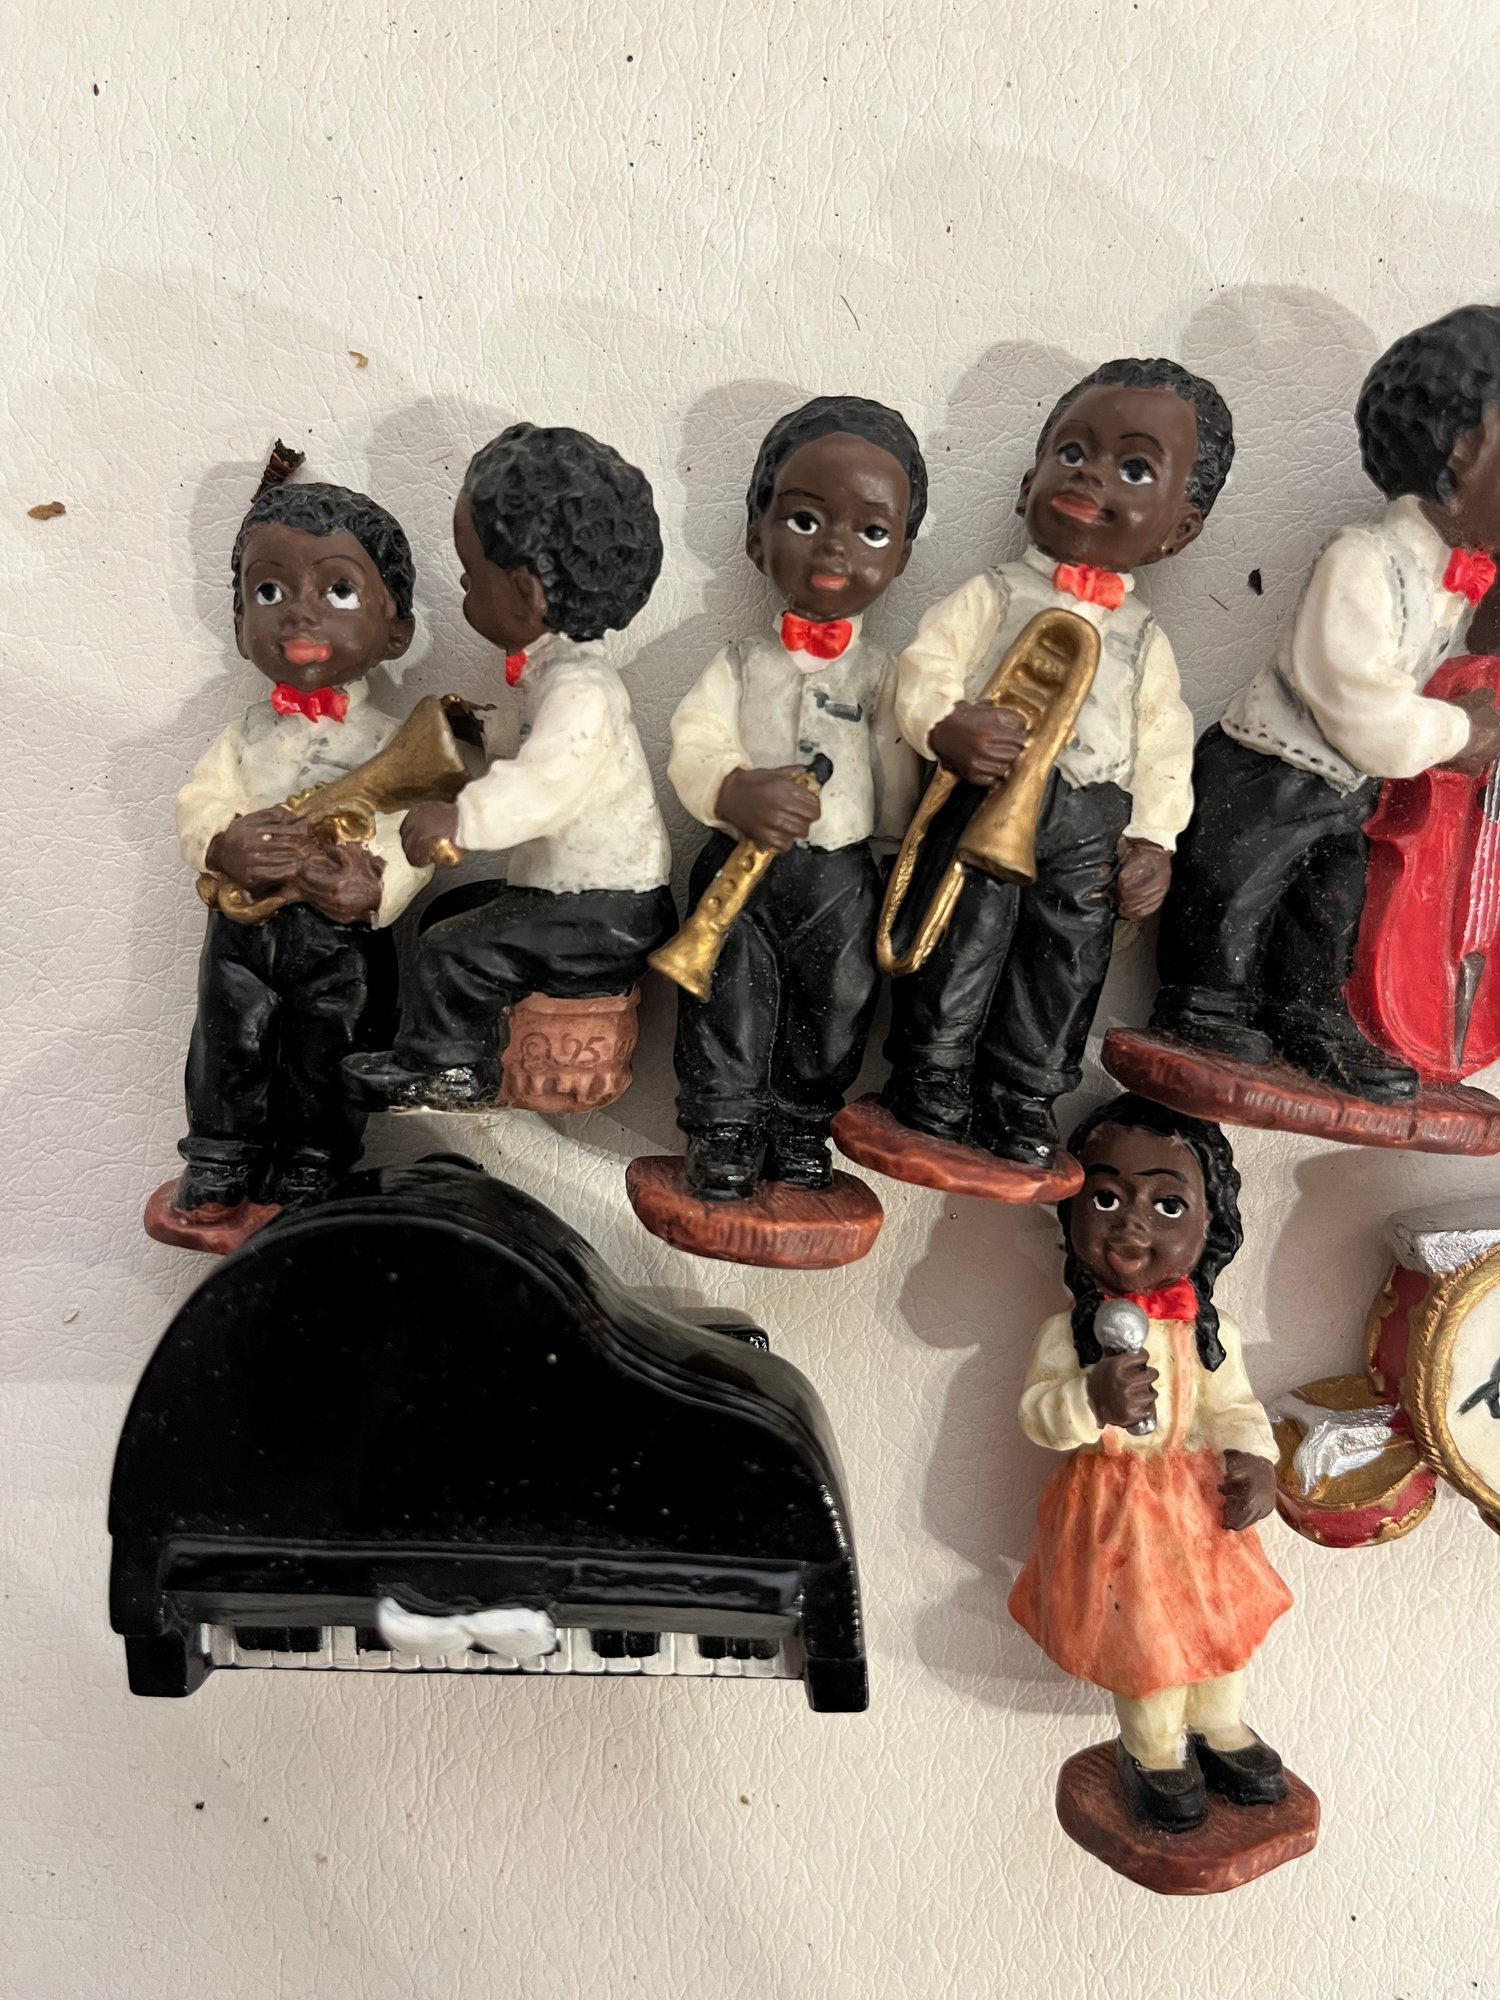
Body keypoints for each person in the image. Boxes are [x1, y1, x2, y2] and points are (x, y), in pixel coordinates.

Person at [881, 358, 1232, 1172]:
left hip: (1089, 820)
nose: (1090, 475)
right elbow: (923, 670)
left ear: (1179, 531)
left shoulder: (1144, 638)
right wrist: (948, 725)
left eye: (1133, 469)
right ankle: (930, 1073)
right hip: (985, 793)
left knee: (1065, 961)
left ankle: (1024, 1091)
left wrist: (1154, 840)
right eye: (1071, 453)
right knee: (962, 937)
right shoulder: (994, 594)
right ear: (1026, 485)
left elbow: (1164, 742)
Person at [1152, 304, 1500, 1101]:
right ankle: (1205, 1004)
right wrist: (1461, 732)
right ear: (1459, 451)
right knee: (1236, 889)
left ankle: (1308, 1015)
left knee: (1332, 907)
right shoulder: (1362, 560)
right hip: (1270, 771)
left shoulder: (1453, 576)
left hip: (1347, 791)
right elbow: (1360, 708)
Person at [345, 424, 675, 1111]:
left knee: (451, 947)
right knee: (451, 909)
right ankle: (429, 1044)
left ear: (524, 593)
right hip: (578, 895)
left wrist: (459, 820)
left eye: (470, 579)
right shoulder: (563, 674)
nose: (464, 592)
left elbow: (546, 785)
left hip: (605, 911)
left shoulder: (580, 689)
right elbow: (541, 751)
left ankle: (453, 1070)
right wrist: (488, 730)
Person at [664, 394, 926, 1199]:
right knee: (726, 992)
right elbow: (695, 740)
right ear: (757, 534)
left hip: (842, 873)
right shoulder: (740, 663)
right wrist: (732, 788)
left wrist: (894, 856)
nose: (835, 548)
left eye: (871, 532)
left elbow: (897, 771)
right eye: (806, 520)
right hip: (739, 861)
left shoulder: (883, 675)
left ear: (902, 557)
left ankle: (801, 1122)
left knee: (839, 999)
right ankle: (723, 1126)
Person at [1008, 1093, 1292, 1833]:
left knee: (1222, 1627)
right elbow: (1038, 1417)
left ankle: (1219, 1727)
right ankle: (1155, 1750)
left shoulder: (1210, 1331)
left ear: (1211, 1223)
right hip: (1116, 1516)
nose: (1132, 1224)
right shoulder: (1067, 1333)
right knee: (1146, 1640)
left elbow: (1232, 1406)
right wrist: (1089, 1398)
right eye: (1106, 1198)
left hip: (1199, 1511)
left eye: (1167, 1206)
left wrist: (1254, 1460)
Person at [170, 476, 428, 1215]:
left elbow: (417, 831)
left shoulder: (396, 744)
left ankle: (314, 1163)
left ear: (396, 631)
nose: (300, 613)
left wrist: (374, 886)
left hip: (339, 939)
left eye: (339, 591)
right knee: (228, 1041)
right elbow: (199, 800)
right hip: (242, 928)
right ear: (239, 622)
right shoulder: (244, 735)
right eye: (270, 591)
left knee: (329, 1050)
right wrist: (225, 845)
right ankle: (220, 1155)